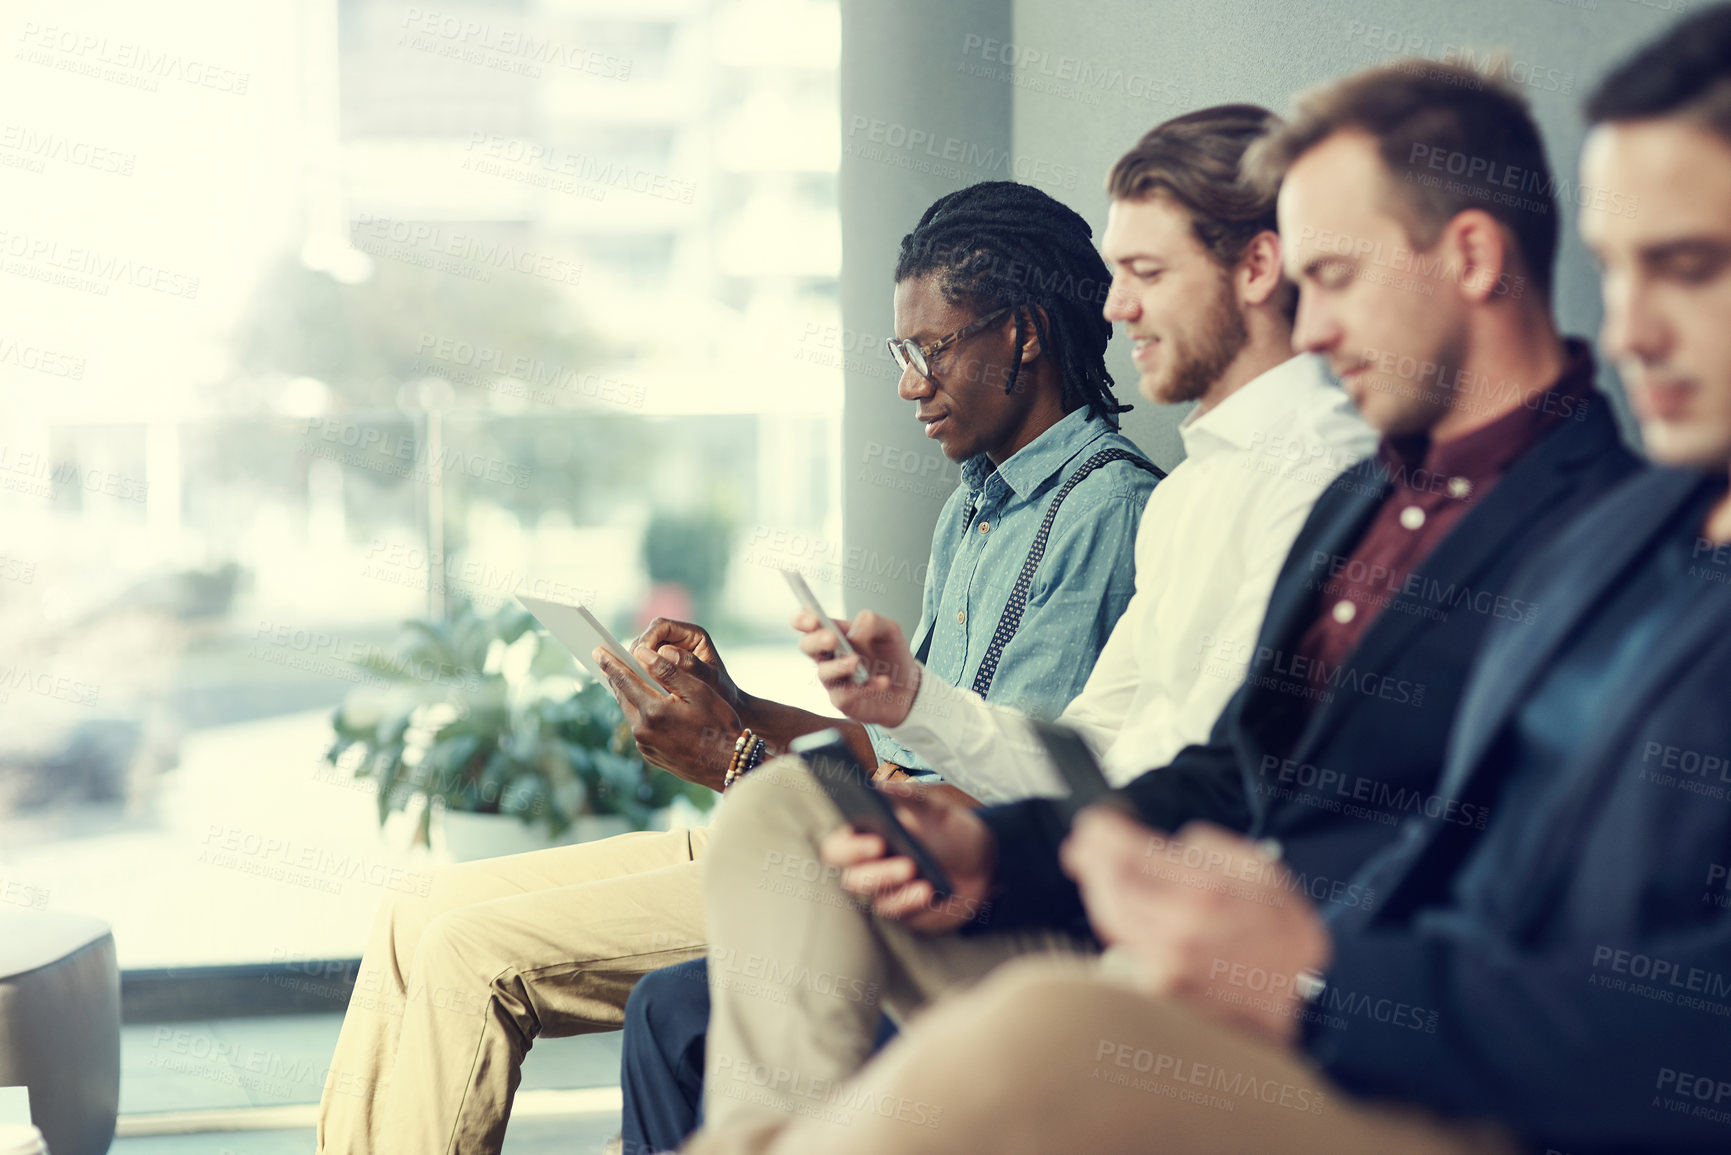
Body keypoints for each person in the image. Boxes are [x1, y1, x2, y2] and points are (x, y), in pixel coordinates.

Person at [682, 15, 1731, 1154]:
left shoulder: (1601, 540)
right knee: (785, 817)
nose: (1310, 330)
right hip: (1267, 970)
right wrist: (1008, 848)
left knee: (1044, 1029)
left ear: (1470, 259)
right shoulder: (1371, 503)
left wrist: (1315, 975)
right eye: (1622, 269)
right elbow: (1235, 770)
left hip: (1387, 1045)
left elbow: (1543, 925)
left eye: (1683, 266)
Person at [314, 180, 1161, 1155]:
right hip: (816, 829)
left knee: (469, 954)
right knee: (412, 908)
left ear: (1020, 335)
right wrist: (738, 704)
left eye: (929, 349)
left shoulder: (1106, 514)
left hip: (873, 887)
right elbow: (900, 755)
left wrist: (731, 758)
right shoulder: (974, 508)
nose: (907, 383)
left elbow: (990, 816)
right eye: (902, 352)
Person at [620, 103, 1393, 1150]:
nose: (1113, 307)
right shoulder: (1190, 496)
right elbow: (1100, 747)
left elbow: (1234, 795)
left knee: (691, 984)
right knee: (775, 817)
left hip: (1158, 940)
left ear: (1258, 268)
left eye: (1147, 274)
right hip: (1086, 879)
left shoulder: (1325, 488)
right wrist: (917, 707)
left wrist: (1007, 840)